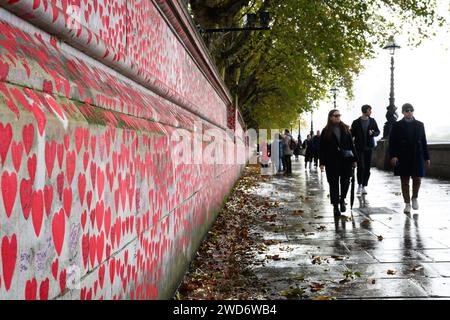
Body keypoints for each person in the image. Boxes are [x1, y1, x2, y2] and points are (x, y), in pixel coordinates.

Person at [389, 103, 430, 214]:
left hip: (417, 155)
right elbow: (392, 142)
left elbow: (424, 141)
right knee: (404, 180)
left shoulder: (420, 124)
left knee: (417, 178)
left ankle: (414, 197)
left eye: (411, 110)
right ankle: (407, 203)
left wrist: (427, 157)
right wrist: (393, 156)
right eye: (406, 110)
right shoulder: (396, 125)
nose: (409, 112)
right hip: (403, 156)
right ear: (403, 112)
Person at [319, 109, 357, 216]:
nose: (338, 117)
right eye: (335, 115)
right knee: (333, 184)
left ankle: (342, 199)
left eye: (339, 115)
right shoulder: (325, 131)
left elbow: (351, 145)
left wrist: (355, 159)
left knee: (346, 182)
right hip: (332, 161)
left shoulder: (345, 128)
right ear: (330, 117)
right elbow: (322, 148)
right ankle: (335, 206)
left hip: (346, 160)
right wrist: (322, 163)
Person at [351, 104, 380, 195]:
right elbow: (351, 135)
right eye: (369, 110)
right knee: (361, 167)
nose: (371, 112)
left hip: (369, 147)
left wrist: (373, 133)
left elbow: (378, 132)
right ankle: (359, 185)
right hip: (359, 148)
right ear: (365, 111)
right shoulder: (356, 122)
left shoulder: (372, 121)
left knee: (367, 168)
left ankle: (364, 186)